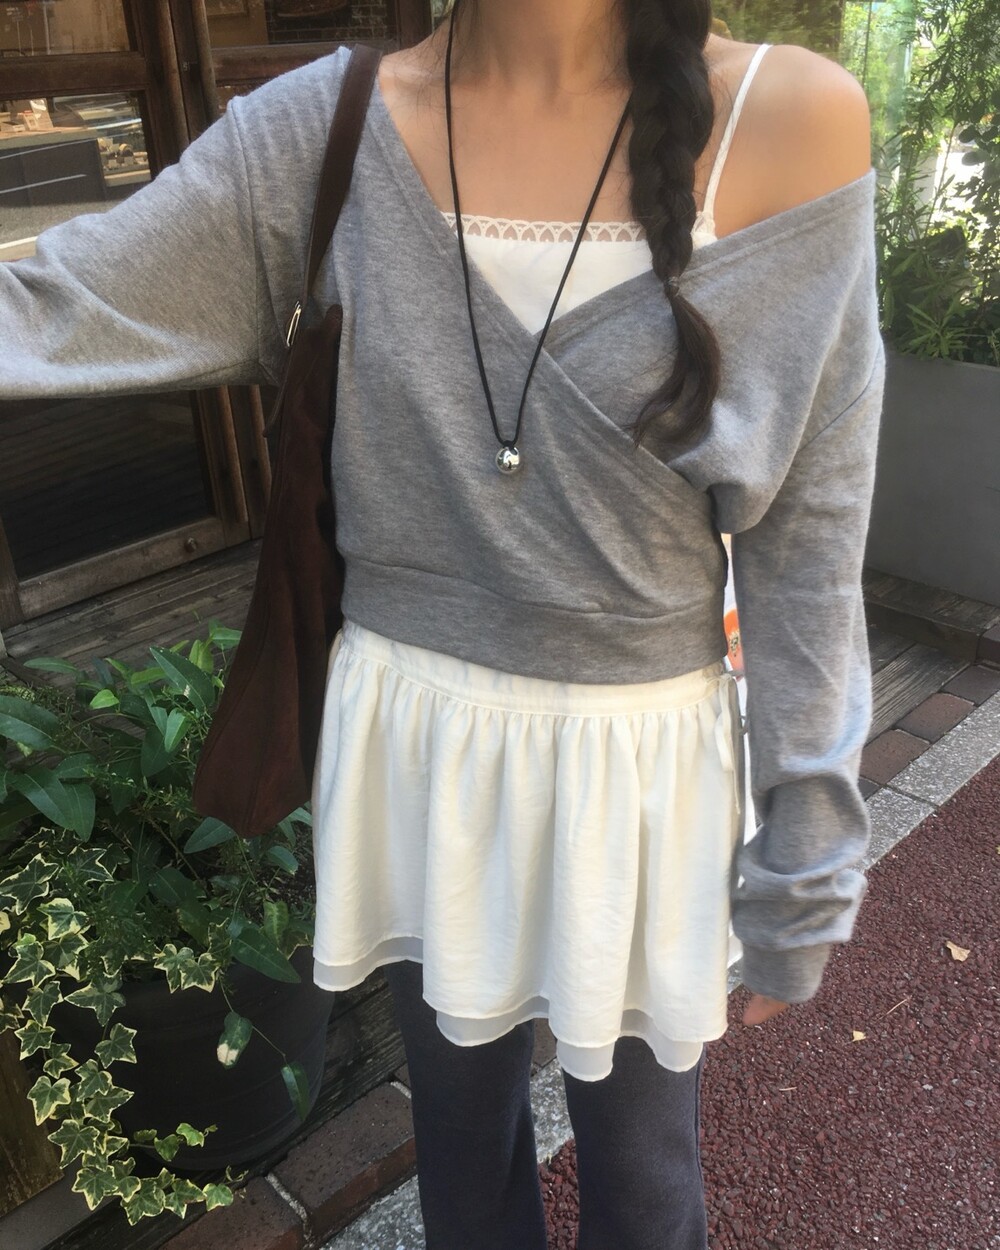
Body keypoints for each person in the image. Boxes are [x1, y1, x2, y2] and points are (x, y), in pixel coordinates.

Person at [0, 1, 882, 1246]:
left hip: (636, 762)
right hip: (415, 736)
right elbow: (52, 303)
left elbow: (811, 531)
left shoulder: (786, 119)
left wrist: (809, 847)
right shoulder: (321, 126)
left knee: (643, 1178)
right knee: (460, 1161)